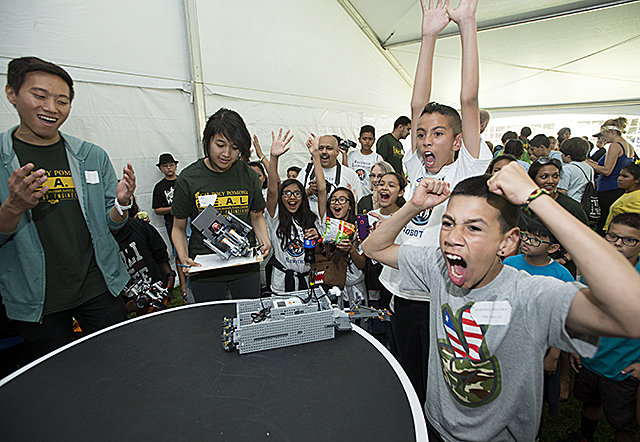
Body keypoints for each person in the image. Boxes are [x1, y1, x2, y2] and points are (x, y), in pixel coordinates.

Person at [362, 161, 640, 442]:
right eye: (448, 223)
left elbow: (632, 314)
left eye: (474, 228)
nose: (453, 238)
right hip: (436, 427)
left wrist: (536, 197)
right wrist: (413, 206)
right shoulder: (438, 268)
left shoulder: (529, 296)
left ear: (507, 243)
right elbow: (374, 247)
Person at [387, 0, 491, 407]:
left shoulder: (466, 167)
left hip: (443, 296)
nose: (427, 140)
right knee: (409, 377)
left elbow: (470, 99)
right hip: (405, 292)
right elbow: (418, 105)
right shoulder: (415, 165)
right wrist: (427, 35)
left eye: (438, 133)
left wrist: (467, 24)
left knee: (443, 382)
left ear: (458, 140)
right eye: (422, 134)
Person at [0, 56, 133, 359]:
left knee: (120, 361)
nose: (51, 107)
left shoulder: (91, 156)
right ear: (12, 93)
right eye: (39, 96)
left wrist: (122, 204)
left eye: (62, 101)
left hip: (98, 285)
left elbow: (111, 223)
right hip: (38, 298)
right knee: (58, 376)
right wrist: (14, 207)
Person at [171, 108, 271, 302]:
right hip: (205, 271)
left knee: (249, 316)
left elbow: (257, 216)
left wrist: (264, 240)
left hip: (245, 268)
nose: (226, 154)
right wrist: (183, 256)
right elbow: (178, 227)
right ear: (207, 141)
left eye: (235, 147)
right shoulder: (188, 178)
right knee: (210, 319)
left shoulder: (249, 176)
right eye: (220, 145)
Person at [561, 213, 640, 442]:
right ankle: (585, 436)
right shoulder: (594, 267)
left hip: (623, 367)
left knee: (623, 422)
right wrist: (576, 345)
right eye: (612, 236)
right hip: (591, 359)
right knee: (590, 402)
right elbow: (583, 308)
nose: (618, 244)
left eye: (629, 240)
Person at [503, 219, 575, 431]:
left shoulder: (561, 275)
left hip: (543, 346)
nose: (527, 242)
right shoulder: (509, 263)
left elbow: (564, 319)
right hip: (510, 339)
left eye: (536, 240)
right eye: (526, 236)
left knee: (535, 394)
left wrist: (554, 355)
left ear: (553, 248)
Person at [266, 130, 324, 293]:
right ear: (281, 197)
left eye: (297, 193)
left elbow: (321, 190)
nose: (292, 197)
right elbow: (272, 190)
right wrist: (274, 158)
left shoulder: (312, 218)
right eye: (287, 193)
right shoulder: (275, 217)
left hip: (308, 281)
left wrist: (316, 156)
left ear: (303, 197)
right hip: (282, 282)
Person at [114, 197, 174, 314]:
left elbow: (160, 254)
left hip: (155, 287)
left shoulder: (140, 227)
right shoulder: (102, 241)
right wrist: (125, 307)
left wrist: (169, 278)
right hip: (128, 298)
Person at [586, 117, 635, 235]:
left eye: (604, 133)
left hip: (608, 189)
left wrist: (588, 163)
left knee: (603, 224)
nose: (602, 137)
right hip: (618, 188)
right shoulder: (628, 146)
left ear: (612, 132)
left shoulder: (615, 146)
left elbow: (607, 170)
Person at [297, 134, 362, 216]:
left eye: (329, 148)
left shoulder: (349, 174)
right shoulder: (307, 170)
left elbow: (358, 204)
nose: (324, 152)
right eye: (320, 148)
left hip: (336, 222)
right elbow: (294, 197)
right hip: (308, 220)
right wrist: (308, 191)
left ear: (337, 152)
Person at [152, 152, 188, 297]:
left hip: (189, 220)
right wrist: (174, 208)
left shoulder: (183, 181)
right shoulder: (159, 187)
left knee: (193, 249)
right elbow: (157, 209)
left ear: (176, 166)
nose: (168, 168)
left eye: (171, 165)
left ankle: (194, 280)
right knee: (178, 252)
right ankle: (183, 284)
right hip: (172, 222)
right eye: (165, 166)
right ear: (160, 169)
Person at [324, 187, 366, 306]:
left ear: (350, 205)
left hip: (355, 288)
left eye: (342, 199)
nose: (336, 203)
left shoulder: (359, 229)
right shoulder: (326, 227)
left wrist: (351, 250)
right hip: (332, 287)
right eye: (333, 200)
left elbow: (362, 264)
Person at [345, 125, 382, 197]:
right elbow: (346, 173)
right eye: (364, 139)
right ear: (359, 140)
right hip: (353, 194)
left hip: (370, 195)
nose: (367, 141)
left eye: (370, 139)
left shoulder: (377, 158)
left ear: (374, 140)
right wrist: (344, 155)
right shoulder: (352, 155)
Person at [603, 163, 640, 230]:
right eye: (619, 175)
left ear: (637, 180)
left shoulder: (637, 197)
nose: (619, 179)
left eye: (625, 176)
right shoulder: (629, 193)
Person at [558, 137, 595, 203]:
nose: (561, 156)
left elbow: (562, 191)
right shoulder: (589, 168)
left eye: (562, 154)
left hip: (571, 203)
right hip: (585, 203)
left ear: (568, 156)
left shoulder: (567, 168)